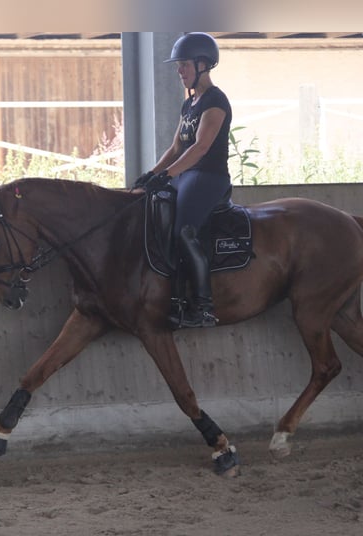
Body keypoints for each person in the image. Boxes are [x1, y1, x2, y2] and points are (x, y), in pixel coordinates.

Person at [133, 32, 232, 328]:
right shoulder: (189, 105)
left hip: (208, 177)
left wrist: (168, 175)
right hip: (186, 173)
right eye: (179, 66)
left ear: (203, 64)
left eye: (184, 65)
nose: (179, 71)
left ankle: (203, 306)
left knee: (184, 232)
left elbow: (201, 148)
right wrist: (151, 175)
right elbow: (177, 147)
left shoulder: (215, 101)